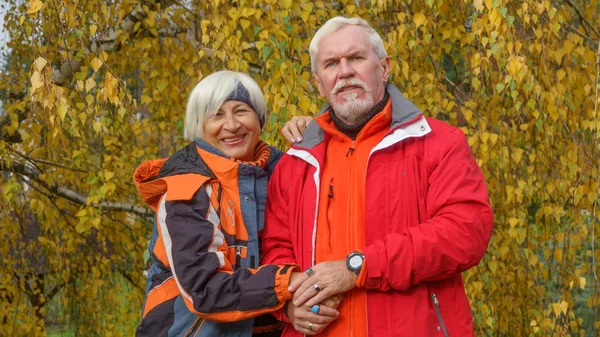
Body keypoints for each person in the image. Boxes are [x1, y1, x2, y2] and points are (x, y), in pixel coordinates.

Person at [262, 17, 494, 337]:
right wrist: (288, 304)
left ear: (384, 68)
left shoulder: (439, 143)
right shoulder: (295, 163)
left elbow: (466, 231)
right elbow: (276, 248)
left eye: (356, 58)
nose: (344, 71)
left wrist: (357, 267)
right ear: (319, 83)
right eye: (331, 63)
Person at [133, 70, 340, 337]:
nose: (231, 125)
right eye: (216, 115)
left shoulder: (286, 174)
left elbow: (339, 203)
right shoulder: (185, 191)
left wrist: (320, 138)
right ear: (199, 126)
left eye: (241, 110)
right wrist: (289, 283)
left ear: (260, 119)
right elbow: (205, 290)